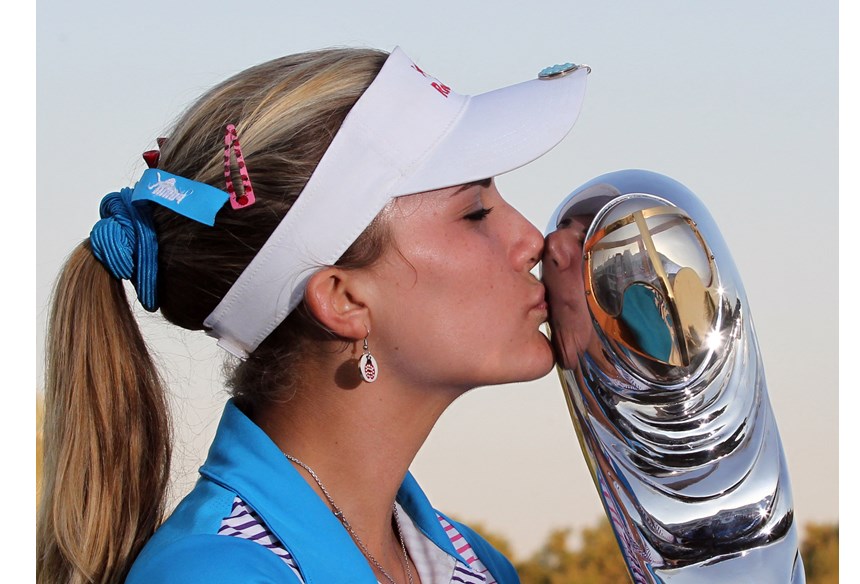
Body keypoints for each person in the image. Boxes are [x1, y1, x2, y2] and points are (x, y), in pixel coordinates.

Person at [37, 46, 589, 584]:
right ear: (344, 300)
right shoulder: (216, 574)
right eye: (475, 213)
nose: (529, 241)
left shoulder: (474, 564)